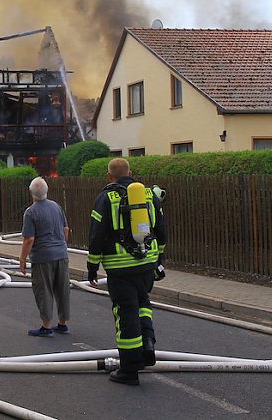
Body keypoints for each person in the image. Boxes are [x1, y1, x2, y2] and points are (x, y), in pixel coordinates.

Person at [87, 158, 167, 386]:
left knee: (126, 312)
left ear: (108, 176)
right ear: (130, 172)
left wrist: (92, 266)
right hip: (147, 263)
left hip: (119, 267)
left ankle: (130, 369)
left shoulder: (105, 198)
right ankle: (148, 345)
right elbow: (161, 230)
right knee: (143, 304)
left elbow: (97, 235)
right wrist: (159, 258)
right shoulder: (149, 195)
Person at [19, 177, 71, 336]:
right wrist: (62, 245)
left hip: (43, 257)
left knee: (44, 290)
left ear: (31, 193)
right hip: (61, 254)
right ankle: (62, 323)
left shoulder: (31, 212)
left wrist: (22, 259)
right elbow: (66, 229)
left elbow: (29, 239)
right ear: (46, 191)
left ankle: (46, 325)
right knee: (62, 288)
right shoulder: (56, 206)